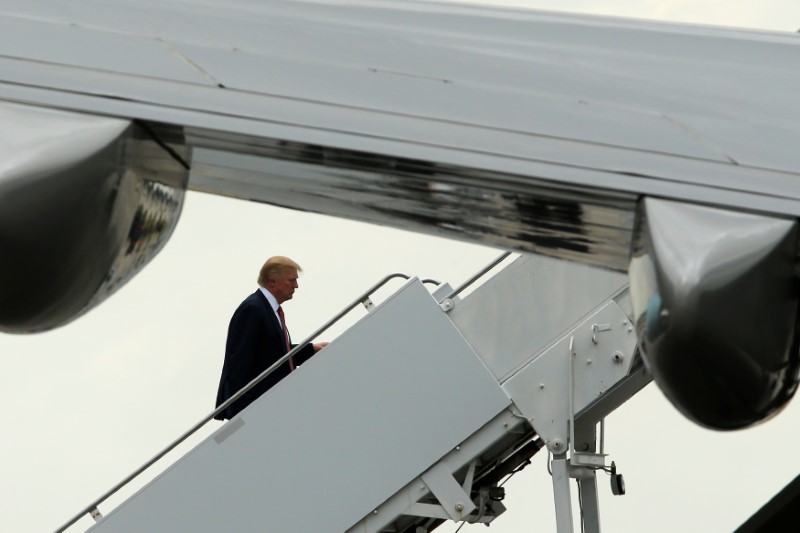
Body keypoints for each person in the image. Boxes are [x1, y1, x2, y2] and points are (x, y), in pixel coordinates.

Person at [214, 256, 327, 420]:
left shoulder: (267, 309)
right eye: (292, 280)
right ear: (272, 282)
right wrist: (241, 415)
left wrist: (311, 349)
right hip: (256, 407)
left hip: (270, 403)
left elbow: (272, 354)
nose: (296, 285)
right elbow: (240, 361)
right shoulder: (253, 309)